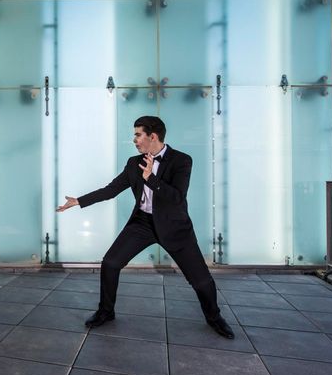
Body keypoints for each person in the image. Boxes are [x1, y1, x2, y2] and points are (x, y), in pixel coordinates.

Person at [57, 116, 234, 339]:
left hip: (174, 226)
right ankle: (106, 311)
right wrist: (79, 201)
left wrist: (150, 178)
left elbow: (177, 198)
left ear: (153, 136)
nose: (134, 140)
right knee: (111, 263)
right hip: (142, 223)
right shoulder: (134, 163)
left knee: (201, 280)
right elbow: (111, 190)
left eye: (138, 135)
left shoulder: (181, 161)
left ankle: (214, 317)